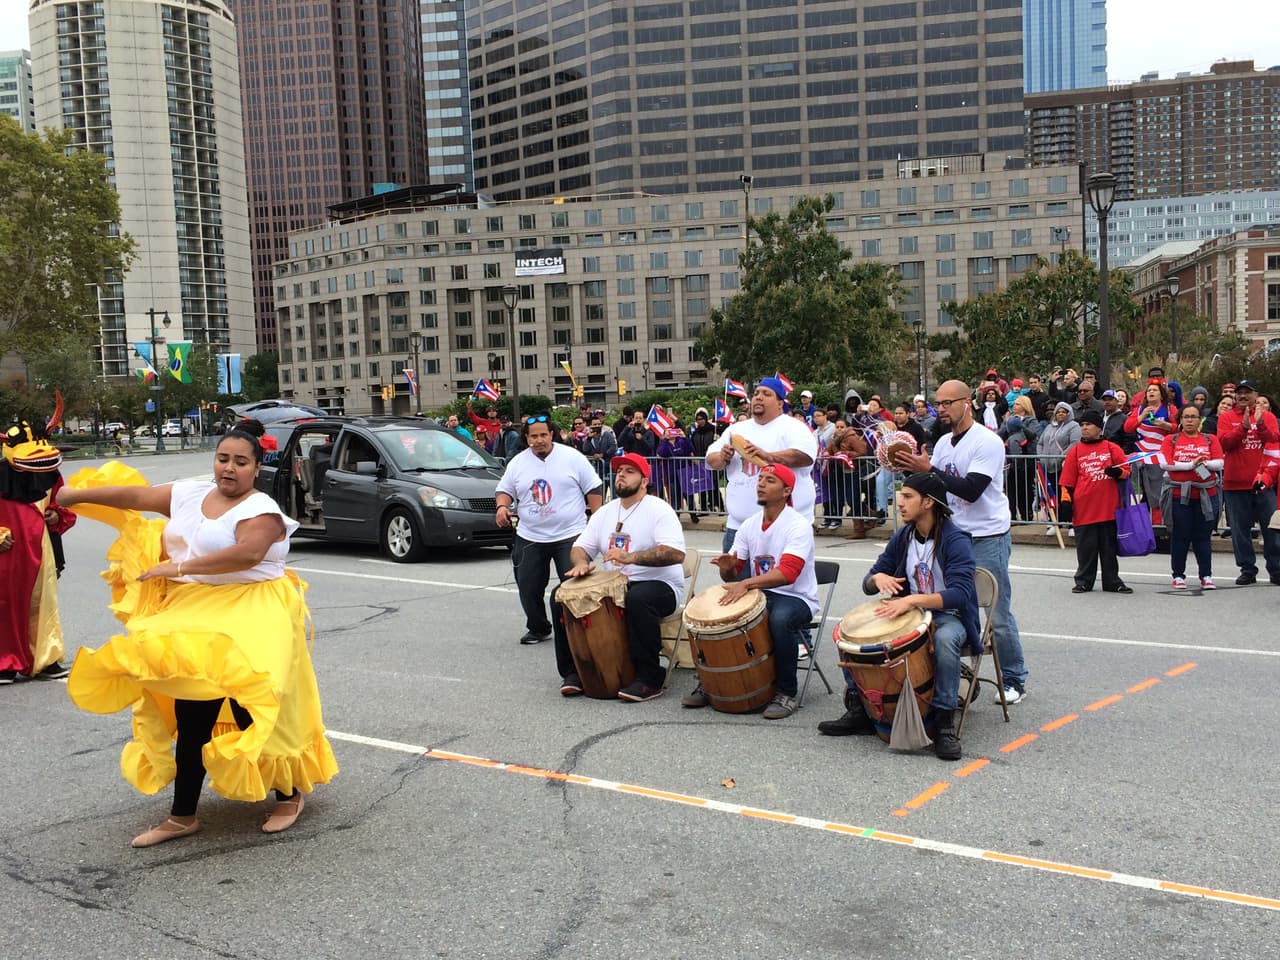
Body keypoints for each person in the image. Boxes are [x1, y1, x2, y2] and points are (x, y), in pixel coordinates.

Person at [58, 431, 338, 846]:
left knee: (252, 702)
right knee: (193, 711)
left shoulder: (262, 510)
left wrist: (178, 568)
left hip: (253, 607)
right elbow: (136, 496)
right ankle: (182, 815)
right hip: (196, 608)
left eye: (240, 461)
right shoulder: (190, 494)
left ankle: (289, 793)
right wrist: (72, 495)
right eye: (223, 458)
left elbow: (247, 554)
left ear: (256, 467)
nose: (229, 468)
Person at [818, 472, 981, 760]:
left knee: (945, 640)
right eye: (900, 496)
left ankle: (944, 722)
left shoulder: (955, 540)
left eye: (907, 496)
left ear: (928, 503)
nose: (900, 503)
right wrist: (877, 579)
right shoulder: (904, 536)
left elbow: (961, 594)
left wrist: (911, 600)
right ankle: (860, 709)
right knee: (849, 633)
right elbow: (869, 582)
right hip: (910, 612)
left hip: (948, 615)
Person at [895, 380, 1029, 704]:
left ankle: (1013, 678)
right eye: (938, 403)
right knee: (950, 605)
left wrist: (931, 470)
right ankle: (953, 672)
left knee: (996, 611)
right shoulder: (943, 443)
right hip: (954, 535)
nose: (941, 409)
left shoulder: (987, 441)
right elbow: (936, 487)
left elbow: (971, 489)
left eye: (948, 403)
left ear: (967, 403)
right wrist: (910, 471)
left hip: (987, 535)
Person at [689, 463, 816, 720]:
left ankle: (786, 692)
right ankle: (712, 683)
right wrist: (728, 569)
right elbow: (733, 574)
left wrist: (745, 584)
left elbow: (787, 574)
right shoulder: (749, 525)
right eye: (760, 479)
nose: (761, 484)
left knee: (779, 620)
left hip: (795, 596)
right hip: (760, 593)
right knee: (712, 615)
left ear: (786, 491)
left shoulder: (798, 525)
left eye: (770, 480)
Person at [563, 453, 686, 702]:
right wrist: (581, 563)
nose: (621, 474)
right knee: (562, 595)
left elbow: (676, 553)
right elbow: (580, 547)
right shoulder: (605, 512)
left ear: (644, 481)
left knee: (637, 599)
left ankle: (649, 679)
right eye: (619, 470)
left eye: (630, 471)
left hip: (660, 585)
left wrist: (632, 557)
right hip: (616, 584)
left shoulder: (659, 509)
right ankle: (575, 671)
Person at [496, 416, 603, 658]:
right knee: (528, 585)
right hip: (530, 535)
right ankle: (539, 627)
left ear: (551, 434)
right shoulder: (518, 463)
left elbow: (593, 487)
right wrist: (502, 506)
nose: (539, 440)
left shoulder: (572, 457)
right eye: (533, 436)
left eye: (543, 435)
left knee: (574, 585)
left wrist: (597, 518)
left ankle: (578, 628)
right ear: (526, 438)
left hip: (570, 534)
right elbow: (504, 490)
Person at [0, 401, 76, 684]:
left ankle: (45, 659)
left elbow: (63, 505)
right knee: (6, 605)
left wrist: (56, 515)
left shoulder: (49, 473)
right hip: (6, 554)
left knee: (44, 604)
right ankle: (6, 662)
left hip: (42, 551)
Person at [705, 377, 818, 551]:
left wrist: (767, 456)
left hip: (786, 526)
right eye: (757, 393)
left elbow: (804, 456)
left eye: (766, 394)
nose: (758, 397)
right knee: (732, 569)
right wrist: (723, 457)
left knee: (784, 570)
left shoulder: (794, 427)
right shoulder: (736, 429)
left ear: (780, 403)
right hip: (739, 527)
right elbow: (710, 459)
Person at [1060, 410, 1133, 594]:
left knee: (1109, 549)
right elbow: (1067, 481)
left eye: (1088, 424)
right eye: (1082, 425)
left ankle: (1112, 581)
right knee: (1086, 549)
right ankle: (1083, 581)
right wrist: (1066, 502)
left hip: (1108, 509)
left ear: (1099, 428)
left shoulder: (1111, 448)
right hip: (1084, 509)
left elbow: (1126, 471)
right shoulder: (1075, 451)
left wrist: (1117, 472)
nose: (1084, 428)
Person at [1215, 379, 1280, 585]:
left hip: (1264, 484)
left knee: (1272, 529)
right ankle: (1247, 569)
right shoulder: (1226, 417)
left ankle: (1276, 569)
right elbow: (1224, 443)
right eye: (1239, 392)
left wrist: (1259, 425)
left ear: (1255, 395)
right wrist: (1242, 428)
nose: (1243, 396)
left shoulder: (1268, 416)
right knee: (1239, 531)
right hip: (1235, 484)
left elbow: (1274, 440)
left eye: (1247, 392)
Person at [1159, 405, 1224, 589]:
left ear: (1199, 420)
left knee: (1202, 536)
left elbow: (1219, 463)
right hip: (1179, 495)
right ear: (1180, 420)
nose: (1189, 420)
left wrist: (1204, 464)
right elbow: (1165, 464)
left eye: (1193, 417)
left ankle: (1206, 575)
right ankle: (1178, 575)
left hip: (1206, 494)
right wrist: (1190, 465)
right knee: (1180, 535)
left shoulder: (1210, 439)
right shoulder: (1171, 440)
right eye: (1186, 417)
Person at [1125, 381, 1178, 523]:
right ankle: (1144, 525)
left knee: (1157, 494)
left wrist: (1165, 425)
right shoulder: (1139, 410)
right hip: (1141, 457)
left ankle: (1159, 525)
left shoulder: (1169, 409)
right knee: (1143, 494)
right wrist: (1141, 417)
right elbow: (1128, 428)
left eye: (1154, 390)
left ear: (1162, 394)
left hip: (1159, 457)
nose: (1151, 392)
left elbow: (1179, 428)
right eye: (1149, 390)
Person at [1037, 401, 1080, 533]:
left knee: (1066, 496)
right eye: (1058, 412)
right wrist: (1041, 457)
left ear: (1069, 413)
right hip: (1047, 466)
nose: (1060, 414)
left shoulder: (1074, 426)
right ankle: (1054, 522)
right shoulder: (1049, 427)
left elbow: (1074, 443)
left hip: (1064, 466)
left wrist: (1060, 457)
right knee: (1051, 495)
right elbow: (1040, 443)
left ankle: (1071, 523)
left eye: (1064, 412)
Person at [1000, 395, 1041, 523]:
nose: (1014, 406)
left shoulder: (1032, 420)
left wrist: (1020, 425)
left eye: (1017, 404)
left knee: (1025, 489)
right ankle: (1012, 516)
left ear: (1024, 406)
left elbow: (1033, 435)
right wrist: (1007, 423)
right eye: (1014, 404)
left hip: (1026, 460)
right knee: (1011, 489)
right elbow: (1000, 434)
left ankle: (1026, 515)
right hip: (1011, 461)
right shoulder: (1009, 419)